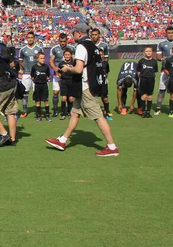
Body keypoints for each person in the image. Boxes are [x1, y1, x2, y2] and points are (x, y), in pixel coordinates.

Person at [45, 23, 119, 157]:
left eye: (73, 34)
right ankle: (62, 140)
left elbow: (78, 69)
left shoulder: (81, 46)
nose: (73, 36)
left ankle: (112, 146)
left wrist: (68, 68)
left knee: (98, 116)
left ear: (78, 33)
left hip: (86, 86)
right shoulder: (94, 46)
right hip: (88, 85)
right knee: (74, 113)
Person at [49, 34, 74, 117]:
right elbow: (51, 61)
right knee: (56, 92)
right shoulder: (54, 49)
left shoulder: (72, 48)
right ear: (59, 41)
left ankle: (68, 110)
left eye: (64, 41)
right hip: (58, 74)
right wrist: (54, 68)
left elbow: (74, 60)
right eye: (61, 41)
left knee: (68, 93)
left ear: (67, 40)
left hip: (69, 75)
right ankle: (55, 110)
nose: (63, 43)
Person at [19, 31, 42, 118]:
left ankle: (38, 111)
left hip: (37, 74)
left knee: (37, 93)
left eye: (31, 37)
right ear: (26, 39)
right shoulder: (23, 49)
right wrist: (25, 68)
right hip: (26, 74)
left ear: (34, 39)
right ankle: (25, 111)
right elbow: (20, 61)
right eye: (28, 38)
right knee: (25, 92)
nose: (30, 39)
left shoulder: (39, 49)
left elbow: (41, 60)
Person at [137, 46, 158, 118]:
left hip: (151, 80)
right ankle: (143, 111)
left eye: (150, 51)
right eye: (147, 51)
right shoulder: (141, 61)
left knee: (149, 96)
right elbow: (139, 72)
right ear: (144, 53)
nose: (148, 52)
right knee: (143, 96)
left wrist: (152, 77)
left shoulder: (154, 61)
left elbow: (155, 72)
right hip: (143, 80)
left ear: (152, 52)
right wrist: (142, 77)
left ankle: (148, 111)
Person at [31, 52, 51, 122]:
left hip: (44, 85)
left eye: (44, 58)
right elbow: (32, 76)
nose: (43, 60)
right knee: (38, 101)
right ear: (37, 59)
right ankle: (38, 116)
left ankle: (47, 115)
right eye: (41, 58)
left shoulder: (46, 67)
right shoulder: (34, 67)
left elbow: (48, 76)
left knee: (46, 101)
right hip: (37, 86)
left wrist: (46, 79)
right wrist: (36, 81)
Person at [57, 48, 75, 120]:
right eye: (66, 55)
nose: (67, 56)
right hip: (64, 82)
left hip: (71, 81)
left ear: (71, 55)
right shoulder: (61, 63)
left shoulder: (73, 63)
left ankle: (70, 112)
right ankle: (63, 114)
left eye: (68, 55)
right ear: (64, 55)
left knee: (71, 98)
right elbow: (59, 72)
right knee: (64, 98)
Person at [99, 49, 112, 121]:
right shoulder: (94, 63)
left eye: (101, 54)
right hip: (95, 83)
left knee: (105, 98)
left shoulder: (105, 63)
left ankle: (107, 112)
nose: (100, 56)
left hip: (103, 83)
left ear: (103, 55)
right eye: (99, 54)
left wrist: (105, 79)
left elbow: (107, 72)